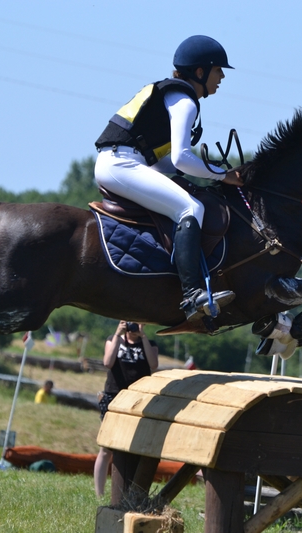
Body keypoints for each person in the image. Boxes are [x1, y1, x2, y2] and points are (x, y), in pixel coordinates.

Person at [94, 35, 242, 322]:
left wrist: (200, 175)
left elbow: (167, 162)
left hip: (122, 160)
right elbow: (181, 158)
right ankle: (192, 295)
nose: (222, 76)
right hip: (121, 164)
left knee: (188, 196)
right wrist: (223, 175)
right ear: (199, 72)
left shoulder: (172, 95)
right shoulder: (184, 102)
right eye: (217, 70)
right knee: (191, 208)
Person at [94, 321, 159, 497]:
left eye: (136, 324)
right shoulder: (113, 339)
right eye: (131, 323)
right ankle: (99, 494)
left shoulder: (149, 344)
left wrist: (143, 336)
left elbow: (153, 365)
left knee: (134, 447)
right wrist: (117, 334)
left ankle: (131, 491)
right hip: (113, 396)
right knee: (106, 448)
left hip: (139, 398)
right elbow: (107, 362)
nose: (133, 328)